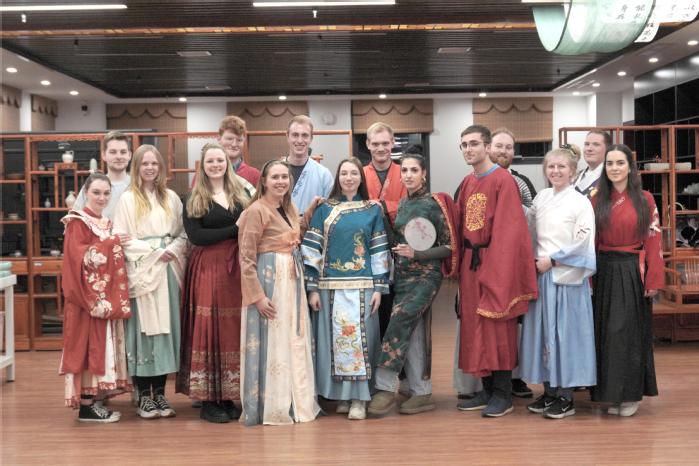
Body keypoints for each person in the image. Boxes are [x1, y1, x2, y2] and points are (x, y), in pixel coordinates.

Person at [454, 125, 538, 418]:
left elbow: (510, 230)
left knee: (497, 326)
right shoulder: (468, 182)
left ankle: (503, 393)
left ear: (487, 147)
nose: (468, 149)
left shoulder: (503, 180)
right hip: (471, 264)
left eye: (474, 143)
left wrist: (497, 271)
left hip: (494, 262)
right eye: (464, 145)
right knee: (474, 327)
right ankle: (487, 390)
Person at [367, 153, 457, 416]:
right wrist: (381, 213)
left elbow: (449, 246)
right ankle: (421, 391)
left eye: (414, 170)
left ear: (424, 173)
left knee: (399, 320)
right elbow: (399, 241)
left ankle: (385, 387)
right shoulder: (404, 203)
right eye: (404, 170)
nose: (408, 175)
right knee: (413, 330)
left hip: (426, 276)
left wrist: (417, 254)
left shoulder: (434, 204)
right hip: (403, 277)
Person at [301, 157, 389, 421]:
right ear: (337, 178)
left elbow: (379, 250)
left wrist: (379, 286)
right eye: (344, 173)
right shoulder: (324, 209)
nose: (349, 178)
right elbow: (311, 248)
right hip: (328, 287)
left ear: (361, 178)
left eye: (353, 173)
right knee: (333, 343)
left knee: (360, 343)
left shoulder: (372, 210)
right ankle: (341, 395)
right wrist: (312, 287)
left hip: (363, 285)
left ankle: (359, 398)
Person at [237, 160, 321, 426]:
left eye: (285, 177)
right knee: (273, 341)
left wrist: (310, 211)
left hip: (290, 282)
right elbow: (246, 257)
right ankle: (272, 403)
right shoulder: (256, 211)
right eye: (275, 177)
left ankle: (295, 400)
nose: (281, 181)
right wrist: (258, 296)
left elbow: (294, 235)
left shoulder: (288, 207)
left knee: (290, 338)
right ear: (264, 180)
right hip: (269, 282)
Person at [176, 143, 252, 423]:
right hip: (208, 267)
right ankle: (209, 400)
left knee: (231, 329)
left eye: (220, 160)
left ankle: (227, 396)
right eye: (210, 161)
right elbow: (197, 236)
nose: (216, 165)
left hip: (237, 268)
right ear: (203, 165)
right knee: (210, 329)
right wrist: (235, 228)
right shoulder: (193, 197)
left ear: (227, 163)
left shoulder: (242, 193)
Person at [520, 148, 597, 419]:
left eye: (562, 166)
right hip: (541, 276)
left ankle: (566, 396)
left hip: (567, 278)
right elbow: (528, 231)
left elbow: (583, 242)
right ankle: (549, 391)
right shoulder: (541, 198)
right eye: (551, 166)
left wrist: (553, 260)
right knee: (543, 334)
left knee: (566, 337)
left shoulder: (580, 203)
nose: (555, 171)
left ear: (572, 171)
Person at [113, 144, 188, 420]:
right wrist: (155, 252)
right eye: (144, 163)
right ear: (136, 167)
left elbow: (183, 233)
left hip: (167, 269)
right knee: (144, 334)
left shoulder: (171, 198)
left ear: (161, 167)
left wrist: (172, 249)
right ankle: (144, 394)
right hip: (143, 271)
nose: (149, 168)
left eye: (154, 163)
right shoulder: (127, 199)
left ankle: (161, 394)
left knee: (165, 332)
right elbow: (122, 237)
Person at [591, 144, 663, 417]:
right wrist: (588, 277)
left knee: (629, 334)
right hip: (603, 269)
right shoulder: (596, 199)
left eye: (620, 163)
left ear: (631, 167)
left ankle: (631, 395)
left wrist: (653, 279)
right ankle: (610, 394)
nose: (614, 168)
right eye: (610, 163)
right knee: (606, 334)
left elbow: (653, 239)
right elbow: (590, 242)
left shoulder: (645, 199)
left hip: (632, 269)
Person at [59, 173, 132, 423]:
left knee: (100, 346)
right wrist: (111, 243)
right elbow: (78, 258)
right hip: (85, 299)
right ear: (86, 193)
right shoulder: (77, 222)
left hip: (104, 297)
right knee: (87, 346)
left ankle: (93, 402)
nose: (102, 198)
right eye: (96, 192)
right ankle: (86, 407)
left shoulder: (106, 223)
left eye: (106, 193)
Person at [362, 122, 408, 339]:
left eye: (385, 143)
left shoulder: (405, 172)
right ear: (368, 144)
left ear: (392, 143)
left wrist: (380, 206)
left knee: (397, 307)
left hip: (399, 247)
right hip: (368, 249)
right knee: (372, 306)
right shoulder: (360, 174)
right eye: (375, 144)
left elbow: (411, 207)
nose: (380, 148)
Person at [73, 130, 132, 220]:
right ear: (104, 155)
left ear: (129, 155)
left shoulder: (137, 185)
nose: (119, 157)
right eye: (113, 152)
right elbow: (74, 219)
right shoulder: (92, 186)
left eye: (123, 152)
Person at [284, 115, 333, 216]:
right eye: (295, 135)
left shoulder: (323, 175)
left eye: (305, 135)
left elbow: (331, 212)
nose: (300, 140)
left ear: (311, 138)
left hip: (312, 226)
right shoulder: (274, 172)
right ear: (287, 136)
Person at [489, 127, 537, 208]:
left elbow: (533, 212)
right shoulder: (474, 180)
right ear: (488, 148)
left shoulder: (523, 182)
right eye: (498, 146)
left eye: (508, 147)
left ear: (513, 152)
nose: (503, 151)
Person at [218, 115, 260, 186]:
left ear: (244, 142)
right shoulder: (206, 173)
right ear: (219, 139)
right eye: (229, 139)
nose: (234, 144)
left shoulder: (255, 175)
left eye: (239, 140)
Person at [574, 130, 611, 198]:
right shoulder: (577, 176)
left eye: (596, 144)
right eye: (587, 144)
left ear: (607, 149)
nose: (589, 149)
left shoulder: (610, 177)